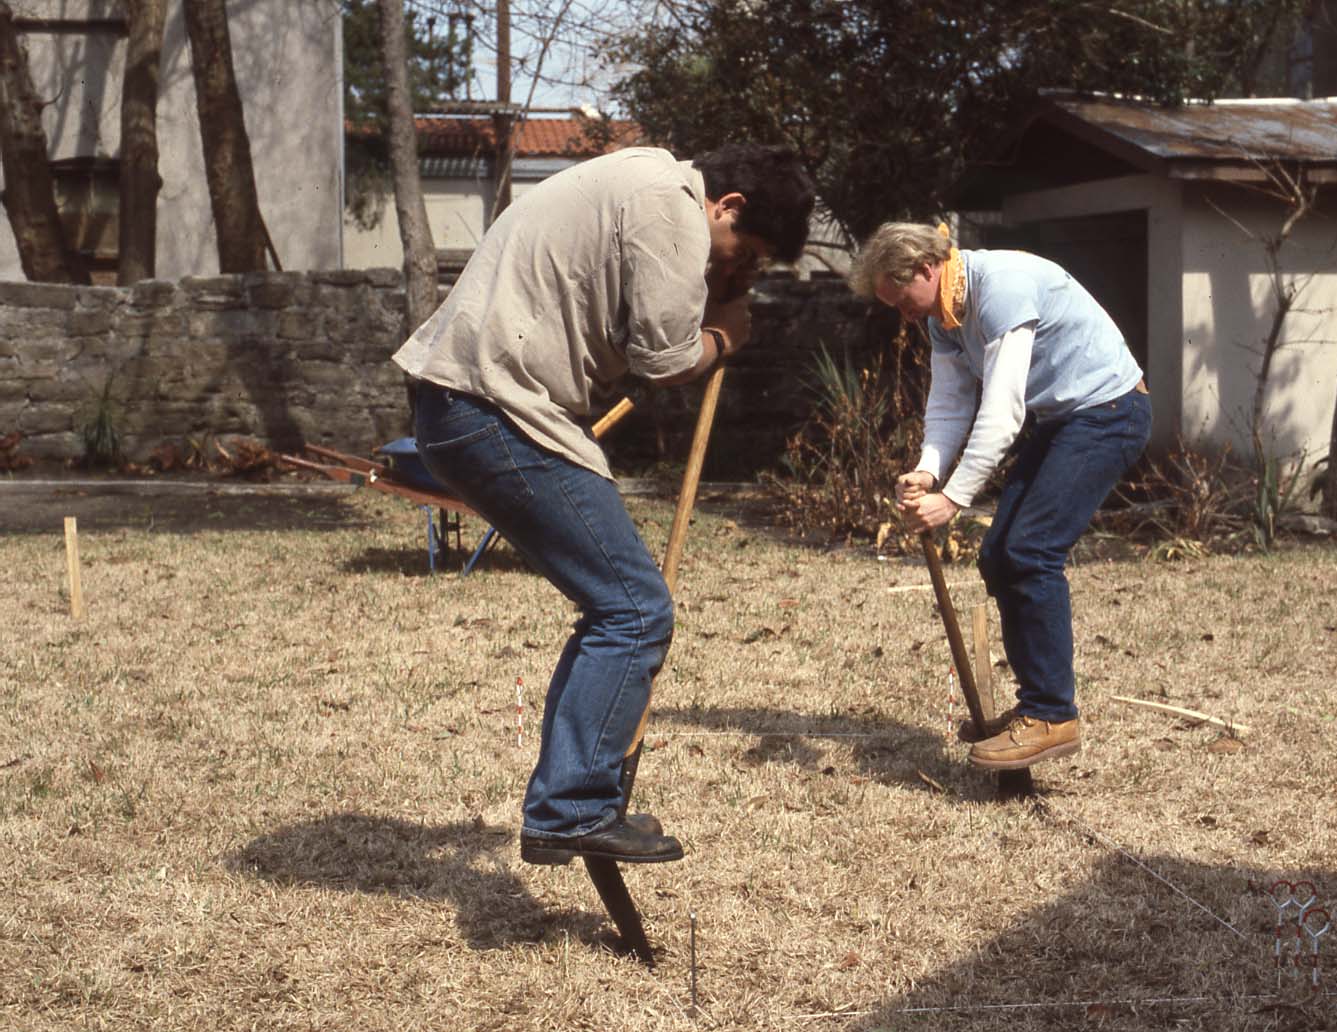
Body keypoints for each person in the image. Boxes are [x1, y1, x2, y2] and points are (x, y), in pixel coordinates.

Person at [393, 144, 814, 864]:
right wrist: (724, 335)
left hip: (466, 404)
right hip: (493, 410)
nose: (737, 263)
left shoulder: (637, 180)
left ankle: (577, 800)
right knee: (633, 609)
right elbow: (665, 359)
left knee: (616, 607)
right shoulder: (670, 207)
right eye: (746, 249)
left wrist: (720, 283)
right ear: (729, 205)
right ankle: (570, 810)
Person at [848, 223, 1150, 770]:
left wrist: (953, 500)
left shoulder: (1002, 286)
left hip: (1110, 413)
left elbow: (1004, 408)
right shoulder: (945, 314)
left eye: (903, 301)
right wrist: (928, 471)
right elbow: (950, 403)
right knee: (999, 555)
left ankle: (1052, 716)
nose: (905, 316)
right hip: (1066, 420)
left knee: (1030, 551)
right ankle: (1037, 708)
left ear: (925, 268)